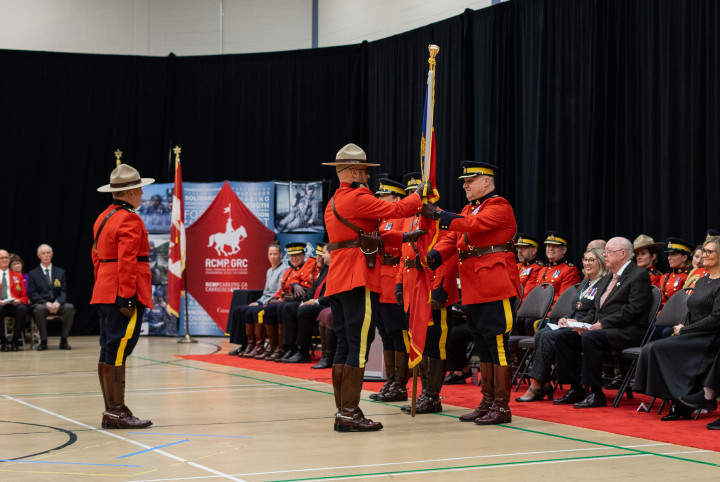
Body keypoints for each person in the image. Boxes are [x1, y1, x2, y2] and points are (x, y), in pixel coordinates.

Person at [323, 143, 424, 432]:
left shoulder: (334, 201)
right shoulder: (358, 196)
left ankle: (343, 411)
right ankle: (351, 412)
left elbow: (371, 235)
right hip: (359, 277)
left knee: (345, 345)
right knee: (359, 345)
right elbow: (396, 208)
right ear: (355, 171)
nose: (368, 176)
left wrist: (405, 237)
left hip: (340, 279)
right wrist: (418, 195)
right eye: (364, 170)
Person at [424, 161, 521, 425]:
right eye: (464, 182)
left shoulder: (499, 206)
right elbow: (452, 238)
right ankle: (487, 401)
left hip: (495, 284)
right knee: (483, 346)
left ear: (486, 182)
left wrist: (439, 216)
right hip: (474, 286)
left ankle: (501, 406)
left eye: (470, 181)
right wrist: (435, 254)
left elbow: (471, 225)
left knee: (498, 345)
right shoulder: (469, 209)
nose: (465, 185)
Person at [553, 237, 652, 408]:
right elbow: (595, 310)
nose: (604, 254)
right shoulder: (608, 278)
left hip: (629, 331)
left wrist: (602, 324)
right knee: (564, 335)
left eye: (608, 251)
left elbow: (633, 310)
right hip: (604, 329)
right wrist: (578, 322)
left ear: (622, 254)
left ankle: (596, 393)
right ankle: (576, 388)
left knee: (591, 338)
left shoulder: (638, 275)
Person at [91, 163, 155, 429]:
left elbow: (95, 256)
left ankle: (112, 410)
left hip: (105, 290)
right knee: (119, 350)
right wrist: (127, 297)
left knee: (109, 349)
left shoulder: (104, 216)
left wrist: (104, 286)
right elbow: (127, 260)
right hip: (123, 292)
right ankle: (116, 412)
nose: (141, 193)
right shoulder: (129, 218)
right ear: (129, 193)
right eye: (139, 189)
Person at [634, 236, 720, 421]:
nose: (703, 255)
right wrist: (684, 327)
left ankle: (682, 402)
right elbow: (692, 310)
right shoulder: (703, 280)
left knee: (660, 348)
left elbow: (716, 318)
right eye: (703, 251)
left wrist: (686, 330)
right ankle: (678, 401)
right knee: (653, 348)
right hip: (693, 332)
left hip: (709, 336)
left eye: (709, 252)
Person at [515, 247, 608, 402]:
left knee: (550, 336)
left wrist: (579, 322)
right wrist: (564, 319)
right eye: (585, 259)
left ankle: (537, 385)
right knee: (541, 333)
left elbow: (596, 311)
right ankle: (543, 383)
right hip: (574, 323)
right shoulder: (585, 282)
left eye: (592, 260)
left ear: (601, 262)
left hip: (587, 327)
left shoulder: (604, 283)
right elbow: (575, 308)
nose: (587, 263)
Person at [369, 176, 411, 403]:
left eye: (385, 195)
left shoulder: (403, 218)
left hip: (394, 277)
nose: (380, 198)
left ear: (397, 197)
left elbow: (404, 247)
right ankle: (391, 380)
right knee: (385, 334)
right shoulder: (382, 219)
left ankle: (401, 384)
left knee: (398, 334)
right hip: (379, 279)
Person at [227, 242, 286, 356]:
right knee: (238, 310)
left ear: (281, 255)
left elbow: (278, 293)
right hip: (264, 300)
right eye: (270, 254)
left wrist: (261, 303)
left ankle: (258, 346)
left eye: (275, 254)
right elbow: (265, 292)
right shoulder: (269, 271)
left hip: (273, 302)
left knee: (251, 311)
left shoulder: (284, 269)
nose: (273, 257)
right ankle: (245, 345)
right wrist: (258, 301)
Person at [520, 231, 580, 333]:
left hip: (555, 315)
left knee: (529, 322)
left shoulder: (569, 270)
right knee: (520, 320)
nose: (550, 249)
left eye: (555, 246)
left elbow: (563, 300)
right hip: (540, 313)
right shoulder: (543, 269)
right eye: (548, 246)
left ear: (564, 250)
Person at [281, 243, 331, 363]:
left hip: (326, 303)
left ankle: (303, 352)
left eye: (323, 253)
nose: (321, 257)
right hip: (315, 301)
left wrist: (315, 301)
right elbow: (314, 287)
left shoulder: (336, 268)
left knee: (304, 310)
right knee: (289, 308)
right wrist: (306, 299)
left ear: (332, 254)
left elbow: (333, 294)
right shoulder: (325, 268)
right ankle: (291, 348)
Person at [27, 244, 75, 350]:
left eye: (48, 253)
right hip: (42, 304)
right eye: (43, 253)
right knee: (39, 309)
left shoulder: (60, 272)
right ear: (38, 255)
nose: (46, 255)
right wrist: (46, 303)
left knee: (69, 307)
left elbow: (63, 291)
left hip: (58, 304)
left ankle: (64, 340)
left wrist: (59, 302)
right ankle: (43, 341)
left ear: (52, 254)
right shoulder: (33, 273)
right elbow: (33, 293)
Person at [0, 249, 29, 351]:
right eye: (2, 258)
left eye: (6, 257)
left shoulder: (17, 276)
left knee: (22, 309)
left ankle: (15, 340)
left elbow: (24, 296)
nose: (4, 260)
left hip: (14, 304)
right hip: (0, 305)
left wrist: (19, 300)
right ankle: (3, 341)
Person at [660, 237, 692, 305]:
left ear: (684, 257)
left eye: (673, 254)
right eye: (668, 254)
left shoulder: (689, 277)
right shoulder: (664, 277)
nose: (669, 258)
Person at [516, 234, 544, 302]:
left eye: (523, 248)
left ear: (534, 250)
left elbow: (527, 296)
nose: (519, 251)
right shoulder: (517, 266)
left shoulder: (537, 268)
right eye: (518, 248)